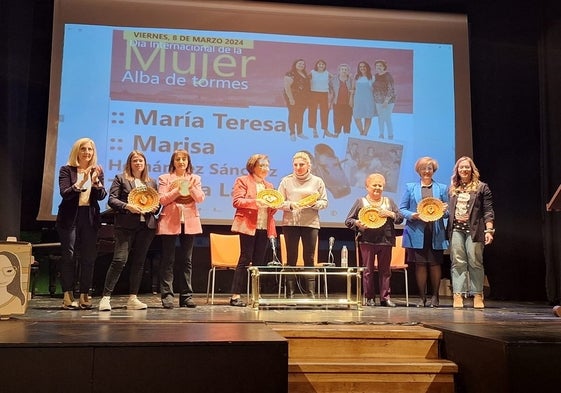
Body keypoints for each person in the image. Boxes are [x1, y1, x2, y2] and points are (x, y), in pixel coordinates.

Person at [98, 150, 159, 311]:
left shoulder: (151, 182)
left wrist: (152, 207)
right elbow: (112, 200)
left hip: (146, 227)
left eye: (141, 161)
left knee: (139, 263)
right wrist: (127, 206)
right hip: (125, 226)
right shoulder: (121, 178)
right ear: (129, 163)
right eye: (135, 161)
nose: (138, 163)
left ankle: (133, 298)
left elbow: (157, 204)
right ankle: (106, 298)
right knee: (119, 260)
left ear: (145, 164)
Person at [56, 137, 107, 309]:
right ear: (77, 151)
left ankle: (85, 294)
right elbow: (65, 193)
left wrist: (96, 181)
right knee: (69, 255)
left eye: (90, 149)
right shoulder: (66, 170)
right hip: (69, 216)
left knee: (88, 257)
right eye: (83, 149)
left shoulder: (97, 171)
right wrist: (81, 181)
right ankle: (68, 295)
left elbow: (101, 196)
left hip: (89, 217)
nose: (87, 152)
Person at [345, 173, 404, 307]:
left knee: (385, 271)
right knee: (368, 271)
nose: (377, 188)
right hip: (367, 240)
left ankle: (385, 298)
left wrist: (390, 214)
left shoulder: (389, 202)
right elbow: (348, 220)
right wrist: (358, 223)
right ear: (367, 187)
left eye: (380, 185)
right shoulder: (361, 202)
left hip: (385, 239)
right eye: (374, 185)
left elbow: (400, 218)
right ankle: (369, 297)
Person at [157, 149, 205, 309]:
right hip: (170, 220)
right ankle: (167, 296)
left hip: (189, 221)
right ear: (173, 162)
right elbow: (162, 199)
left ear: (188, 162)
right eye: (178, 159)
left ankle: (186, 296)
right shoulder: (164, 178)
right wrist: (178, 189)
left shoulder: (195, 178)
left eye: (184, 159)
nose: (181, 162)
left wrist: (190, 188)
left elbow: (200, 198)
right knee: (168, 260)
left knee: (187, 260)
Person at [228, 154, 278, 307]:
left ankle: (256, 295)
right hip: (248, 225)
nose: (265, 169)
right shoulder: (243, 181)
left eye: (267, 166)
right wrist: (256, 202)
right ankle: (235, 296)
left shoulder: (269, 186)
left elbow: (271, 209)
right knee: (245, 259)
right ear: (253, 166)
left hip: (264, 225)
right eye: (261, 165)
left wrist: (274, 205)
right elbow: (237, 201)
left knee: (259, 263)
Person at [399, 156, 448, 308]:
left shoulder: (442, 188)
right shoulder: (410, 187)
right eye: (423, 168)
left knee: (434, 264)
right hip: (416, 232)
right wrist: (413, 215)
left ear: (433, 170)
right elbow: (402, 209)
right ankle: (422, 298)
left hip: (436, 232)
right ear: (418, 171)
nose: (426, 171)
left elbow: (447, 214)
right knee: (420, 265)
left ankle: (435, 296)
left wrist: (445, 210)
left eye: (429, 168)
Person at [278, 151, 328, 298]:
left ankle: (310, 292)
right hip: (290, 223)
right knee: (291, 256)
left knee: (309, 257)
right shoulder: (286, 181)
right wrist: (291, 205)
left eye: (301, 164)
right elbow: (279, 202)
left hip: (311, 223)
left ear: (308, 165)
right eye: (295, 165)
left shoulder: (317, 181)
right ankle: (290, 292)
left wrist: (314, 204)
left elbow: (324, 202)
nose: (298, 167)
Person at [447, 156, 495, 309]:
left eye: (467, 167)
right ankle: (458, 295)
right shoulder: (453, 188)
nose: (464, 170)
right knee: (458, 262)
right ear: (457, 170)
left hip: (475, 230)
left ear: (472, 169)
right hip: (456, 230)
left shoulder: (481, 187)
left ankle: (477, 295)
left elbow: (488, 211)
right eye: (461, 167)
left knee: (475, 261)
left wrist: (489, 230)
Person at [284, 59, 311, 141]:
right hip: (293, 98)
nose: (301, 65)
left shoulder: (305, 74)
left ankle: (300, 133)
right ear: (295, 64)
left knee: (300, 116)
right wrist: (291, 99)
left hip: (303, 99)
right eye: (299, 63)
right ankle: (292, 133)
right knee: (292, 115)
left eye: (303, 64)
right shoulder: (290, 74)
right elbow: (287, 88)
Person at [308, 59, 335, 138]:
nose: (321, 65)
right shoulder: (312, 72)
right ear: (317, 65)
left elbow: (335, 79)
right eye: (319, 64)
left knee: (324, 112)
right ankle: (314, 130)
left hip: (324, 94)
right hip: (313, 93)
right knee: (313, 112)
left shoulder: (327, 73)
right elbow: (305, 80)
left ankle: (325, 130)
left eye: (323, 64)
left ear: (325, 66)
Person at [351, 61, 376, 136]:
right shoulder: (356, 77)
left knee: (368, 117)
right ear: (358, 68)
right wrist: (351, 99)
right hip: (358, 100)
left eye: (364, 66)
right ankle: (361, 132)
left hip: (369, 100)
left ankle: (365, 133)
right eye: (360, 67)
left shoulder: (372, 77)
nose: (362, 68)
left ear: (367, 67)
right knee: (356, 116)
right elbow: (353, 89)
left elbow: (374, 90)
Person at [373, 60, 396, 139]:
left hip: (388, 101)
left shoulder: (388, 76)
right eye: (377, 66)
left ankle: (390, 135)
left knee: (387, 117)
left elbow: (391, 89)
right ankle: (381, 134)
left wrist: (386, 101)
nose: (378, 67)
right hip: (378, 101)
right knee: (380, 117)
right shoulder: (375, 76)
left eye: (380, 65)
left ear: (384, 67)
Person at [330, 63, 354, 136]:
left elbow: (354, 89)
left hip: (348, 103)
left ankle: (346, 133)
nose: (344, 71)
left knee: (348, 119)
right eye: (342, 69)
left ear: (348, 71)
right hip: (337, 103)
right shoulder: (333, 79)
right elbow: (329, 88)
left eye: (345, 70)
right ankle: (337, 132)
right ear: (339, 71)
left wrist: (353, 91)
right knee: (337, 118)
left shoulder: (351, 80)